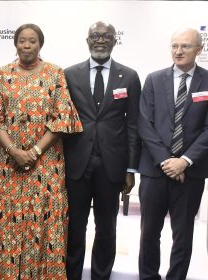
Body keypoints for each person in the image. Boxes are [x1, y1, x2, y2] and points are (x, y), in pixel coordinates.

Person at [0, 23, 83, 279]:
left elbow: (61, 118)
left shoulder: (55, 73)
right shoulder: (3, 73)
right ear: (15, 44)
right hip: (7, 163)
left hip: (45, 164)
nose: (26, 45)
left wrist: (33, 151)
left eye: (32, 41)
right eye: (22, 41)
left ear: (40, 44)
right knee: (4, 220)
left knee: (43, 220)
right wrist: (13, 150)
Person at [62, 21, 141, 280]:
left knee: (107, 228)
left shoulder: (129, 76)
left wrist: (130, 169)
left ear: (114, 41)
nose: (100, 40)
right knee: (75, 226)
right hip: (76, 163)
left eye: (106, 36)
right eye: (95, 35)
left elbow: (133, 126)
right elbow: (61, 120)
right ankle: (71, 275)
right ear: (87, 40)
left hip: (112, 166)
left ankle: (101, 276)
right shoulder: (69, 74)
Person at [138, 27, 208, 280]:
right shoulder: (154, 79)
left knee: (183, 233)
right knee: (149, 232)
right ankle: (148, 277)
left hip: (191, 172)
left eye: (185, 46)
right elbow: (145, 124)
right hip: (155, 170)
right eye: (174, 46)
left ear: (199, 50)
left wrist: (185, 161)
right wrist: (168, 162)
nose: (178, 51)